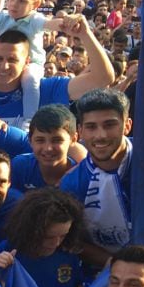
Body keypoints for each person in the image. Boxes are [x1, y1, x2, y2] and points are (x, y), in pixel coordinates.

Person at [58, 88, 134, 263]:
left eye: (109, 125)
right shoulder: (72, 184)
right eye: (91, 127)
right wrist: (118, 266)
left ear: (127, 125)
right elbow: (73, 241)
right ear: (80, 131)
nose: (100, 135)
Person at [10, 104, 80, 192]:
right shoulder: (20, 167)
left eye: (57, 140)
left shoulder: (80, 176)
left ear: (73, 139)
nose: (48, 148)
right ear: (30, 140)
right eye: (40, 140)